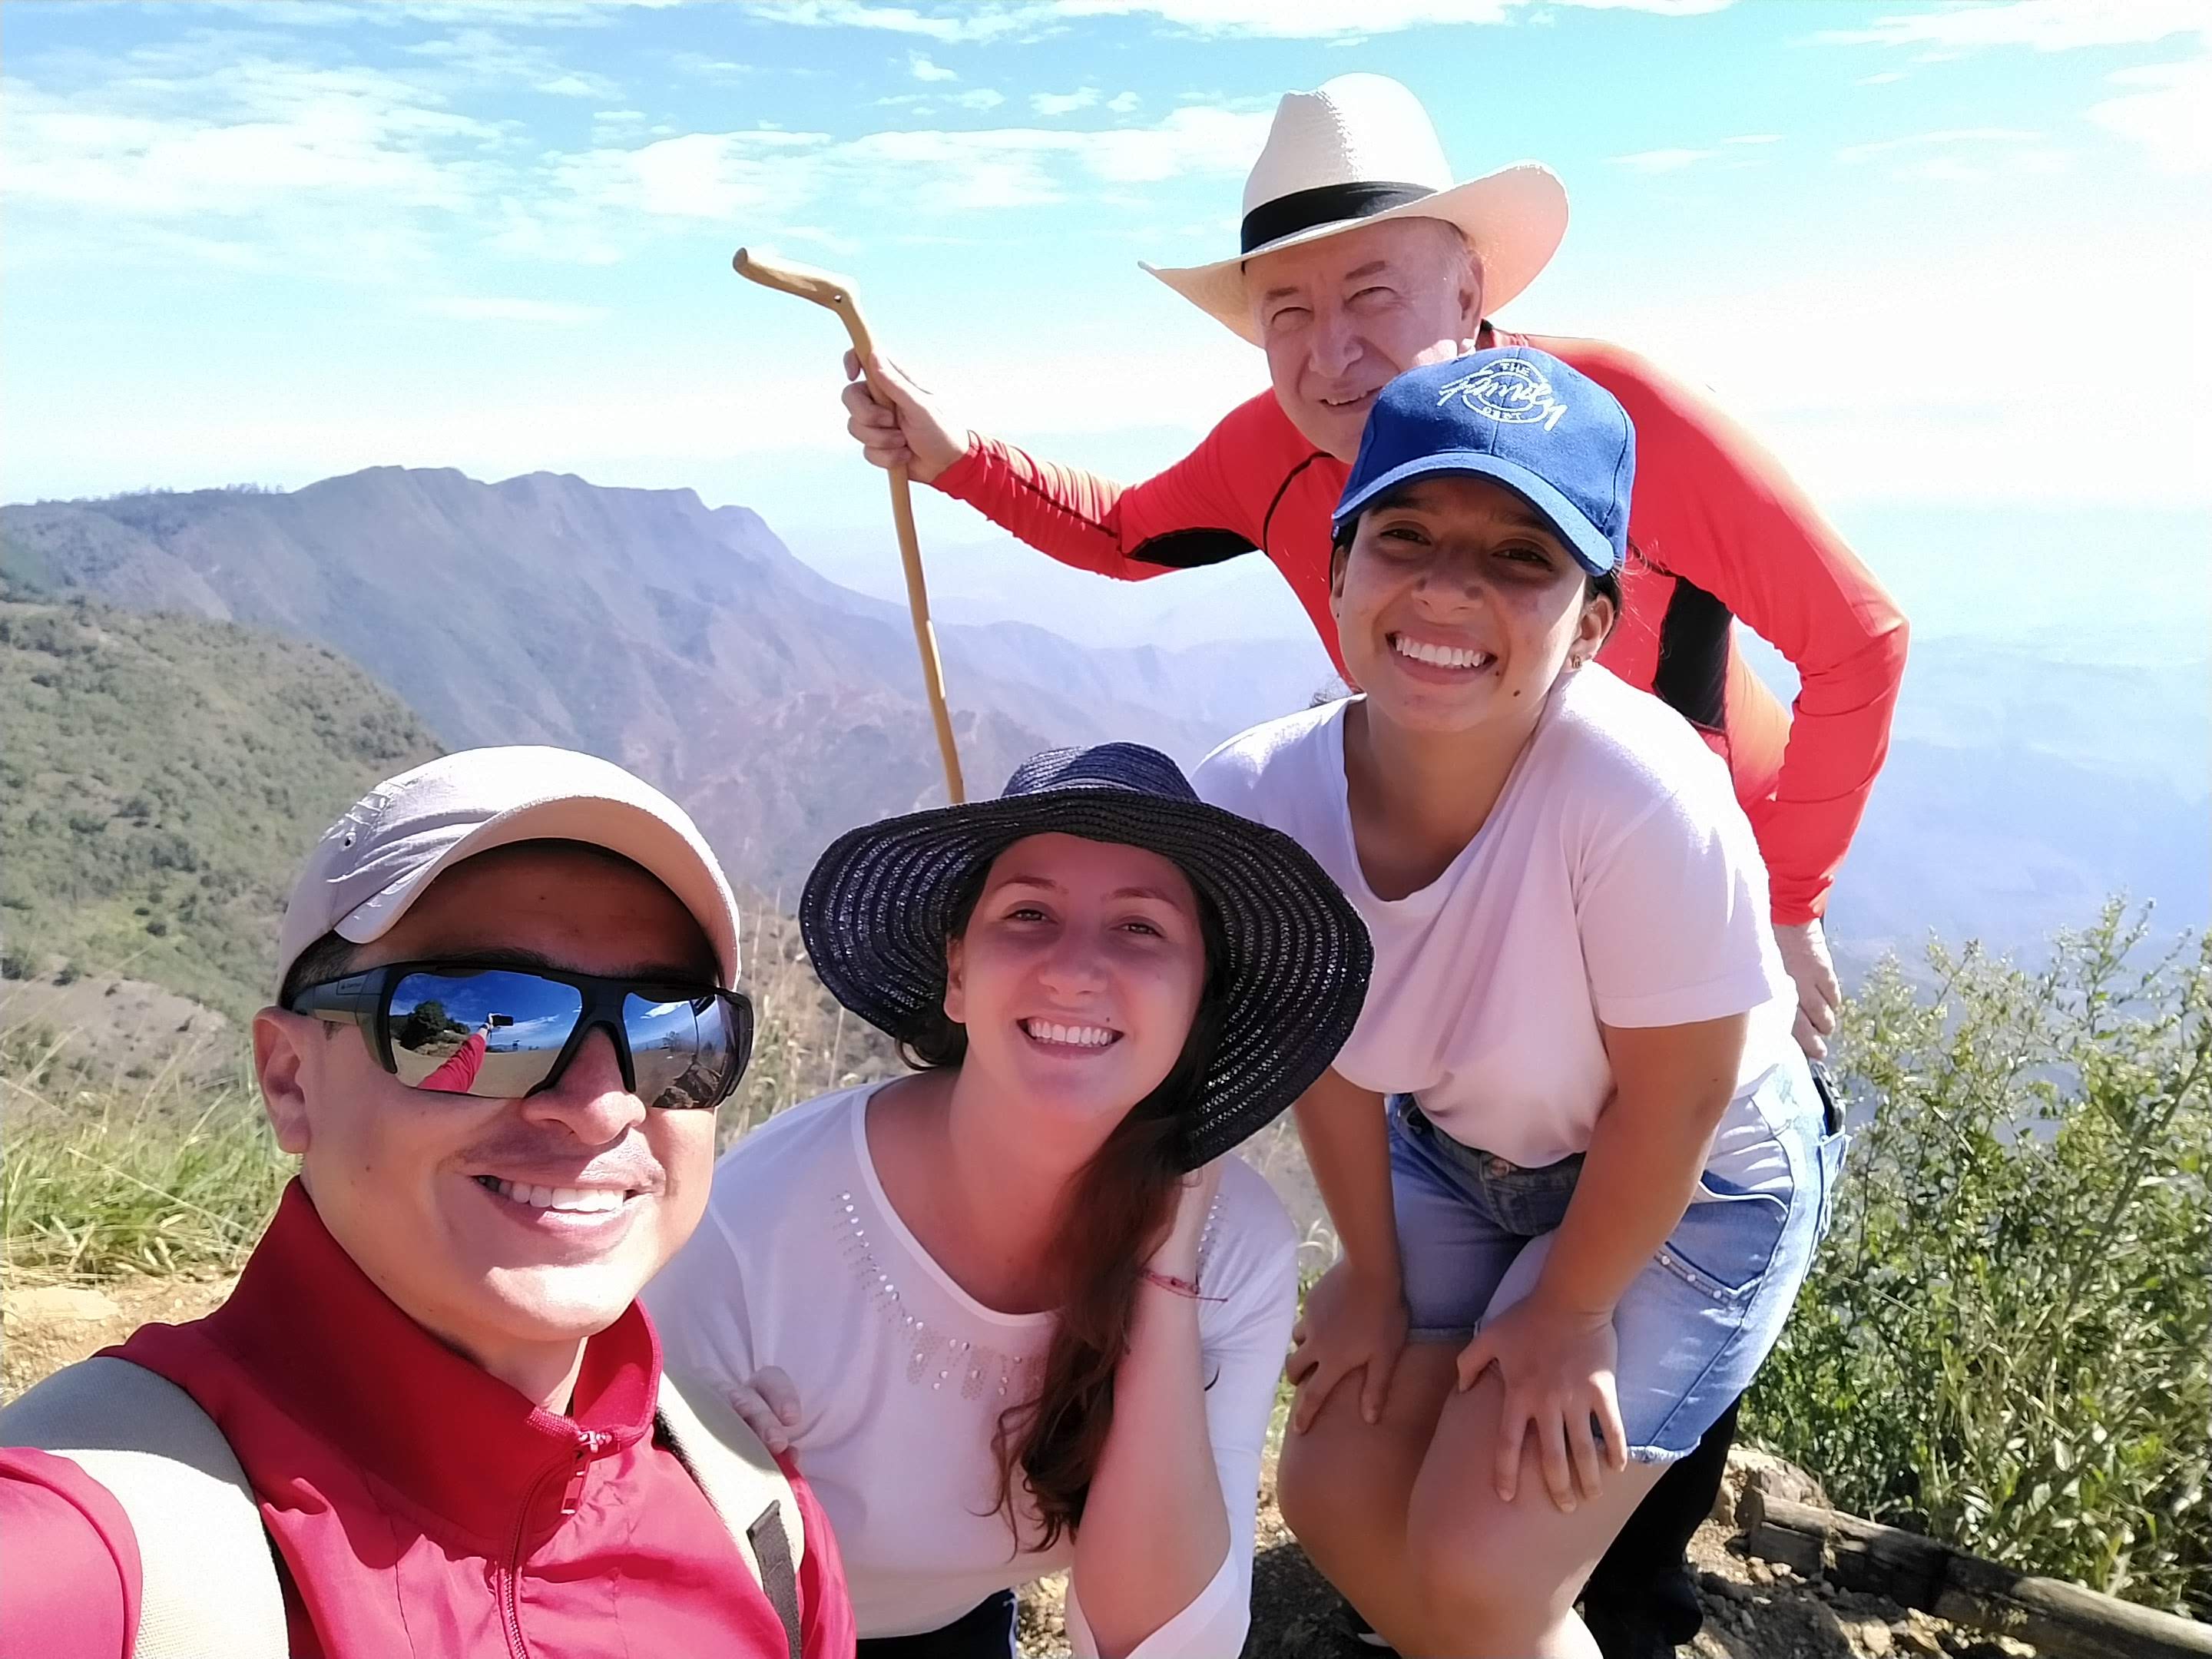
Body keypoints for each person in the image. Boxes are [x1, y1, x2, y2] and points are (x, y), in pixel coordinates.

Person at [835, 73, 1901, 1651]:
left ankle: (1609, 1590)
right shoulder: (1279, 484)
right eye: (1287, 310)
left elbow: (1858, 639)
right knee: (1379, 1489)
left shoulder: (1610, 422)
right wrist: (953, 456)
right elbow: (1128, 533)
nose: (1329, 350)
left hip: (1679, 914)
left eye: (1371, 295)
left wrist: (1791, 896)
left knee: (1560, 1473)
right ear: (1345, 559)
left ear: (1471, 287)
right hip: (1456, 976)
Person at [1190, 349, 1846, 1658]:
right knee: (1333, 1489)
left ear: (1591, 626)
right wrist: (1370, 1273)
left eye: (1519, 558)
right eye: (1406, 536)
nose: (1447, 587)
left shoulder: (1636, 793)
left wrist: (1567, 1311)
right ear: (1338, 570)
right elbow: (1333, 1055)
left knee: (1481, 1557)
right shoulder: (1260, 801)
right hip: (1458, 1152)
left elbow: (1678, 1096)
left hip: (1697, 1180)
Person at [0, 747, 857, 1659]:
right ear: (290, 1080)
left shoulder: (757, 1515)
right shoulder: (96, 1547)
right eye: (484, 1017)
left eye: (673, 1029)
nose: (602, 1106)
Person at [646, 743, 1373, 1657]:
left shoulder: (1232, 1251)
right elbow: (621, 1547)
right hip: (745, 1625)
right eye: (1029, 913)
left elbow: (1161, 1648)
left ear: (1200, 999)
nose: (1074, 970)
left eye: (1140, 927)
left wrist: (1164, 1277)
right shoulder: (760, 1223)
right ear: (958, 974)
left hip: (963, 1628)